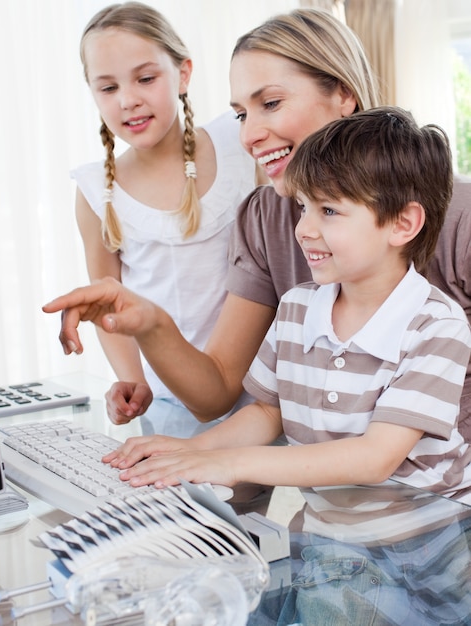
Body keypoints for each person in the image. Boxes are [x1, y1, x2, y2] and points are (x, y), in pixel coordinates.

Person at [44, 8, 470, 440]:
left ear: (343, 93)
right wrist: (151, 323)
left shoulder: (462, 218)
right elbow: (218, 394)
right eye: (241, 115)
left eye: (270, 103)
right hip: (337, 498)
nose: (248, 136)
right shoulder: (265, 218)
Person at [101, 106, 471, 506]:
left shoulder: (437, 326)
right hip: (333, 536)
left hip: (427, 547)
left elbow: (374, 458)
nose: (303, 230)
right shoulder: (296, 308)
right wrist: (191, 451)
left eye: (328, 211)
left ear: (402, 224)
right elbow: (266, 412)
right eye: (302, 207)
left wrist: (230, 465)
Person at [72, 2, 259, 435]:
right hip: (171, 398)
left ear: (184, 73)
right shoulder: (96, 192)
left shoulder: (239, 139)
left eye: (146, 78)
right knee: (191, 503)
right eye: (108, 87)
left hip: (265, 386)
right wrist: (131, 378)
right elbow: (108, 302)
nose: (129, 99)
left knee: (249, 497)